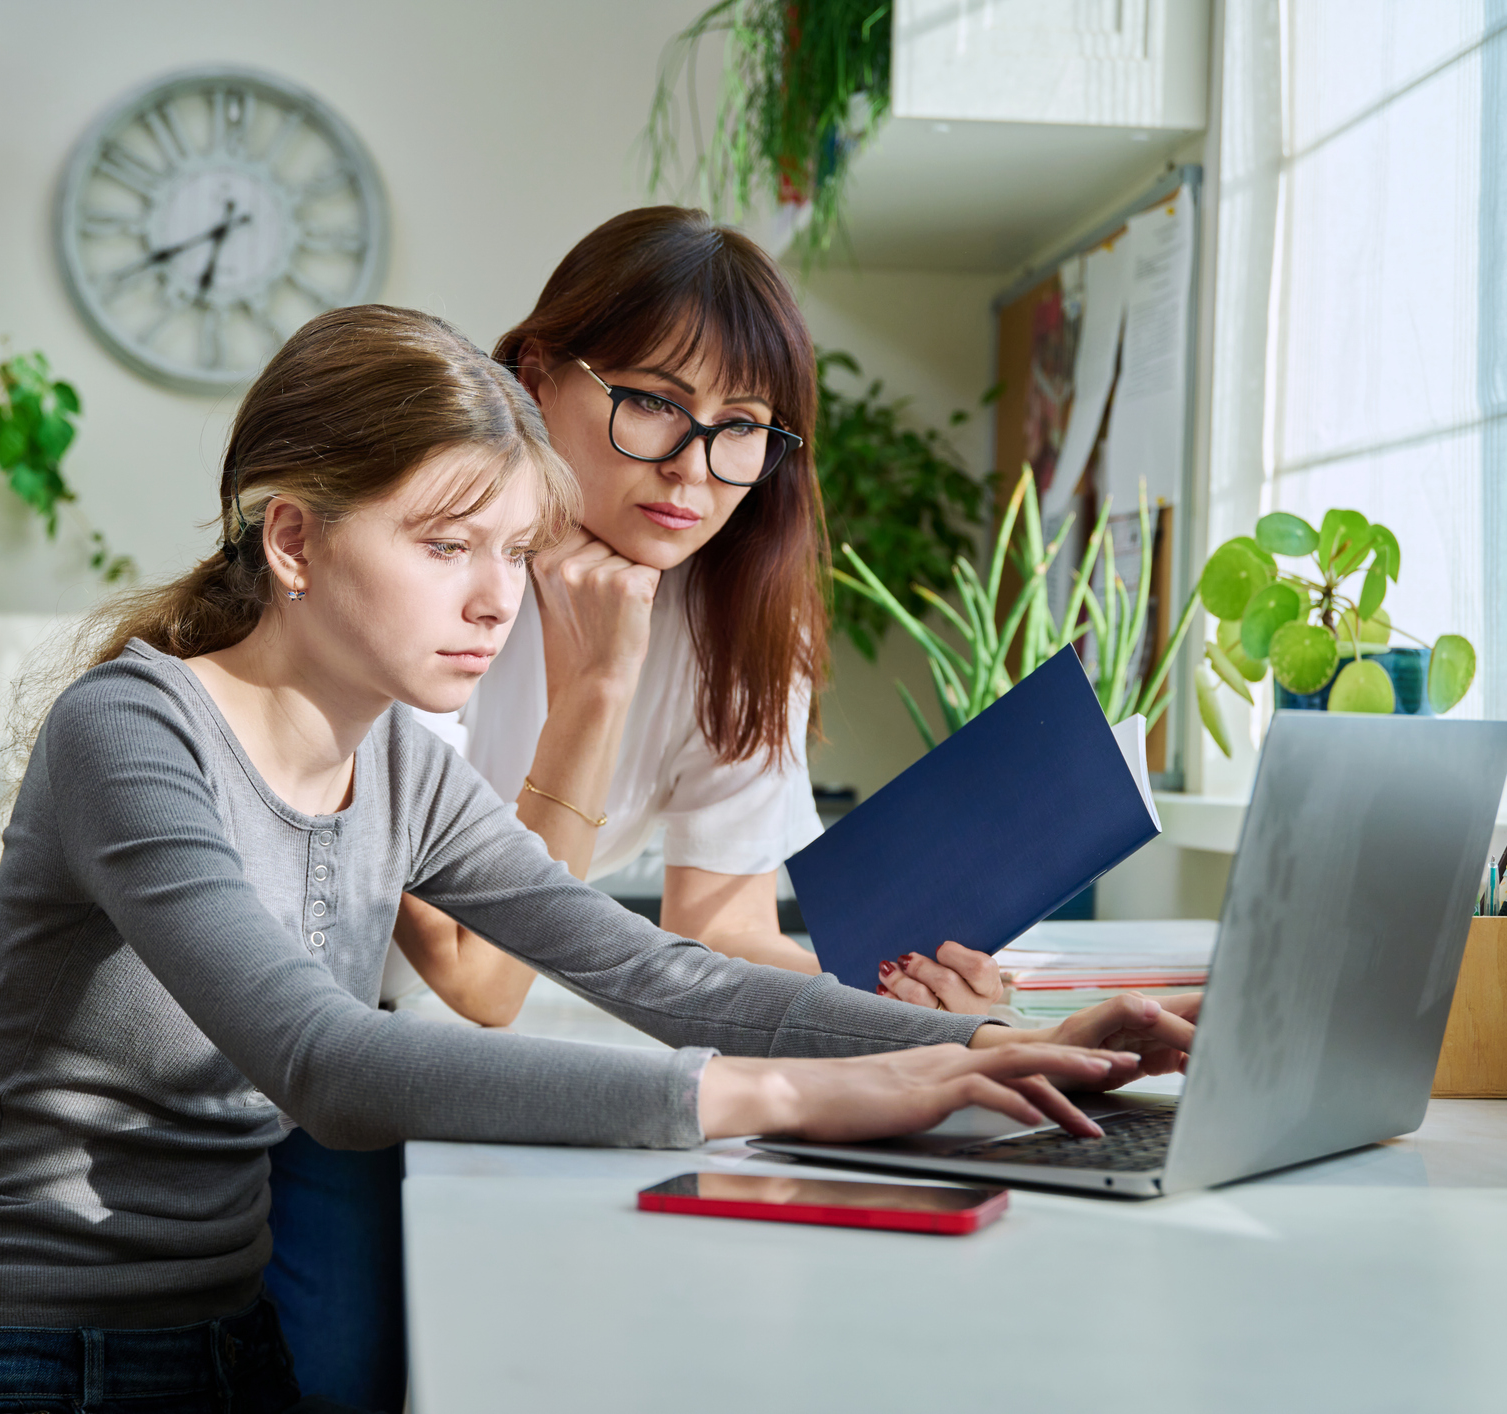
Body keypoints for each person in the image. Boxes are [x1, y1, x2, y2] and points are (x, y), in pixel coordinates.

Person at [0, 305, 1190, 1414]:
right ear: (296, 538)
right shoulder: (134, 731)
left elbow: (662, 973)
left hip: (226, 1359)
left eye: (510, 550)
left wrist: (997, 1045)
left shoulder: (398, 762)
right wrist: (791, 1096)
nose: (495, 598)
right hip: (26, 1369)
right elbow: (331, 1062)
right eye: (445, 548)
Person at [263, 210, 1204, 1407]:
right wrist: (596, 685)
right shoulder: (428, 581)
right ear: (533, 379)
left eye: (743, 430)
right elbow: (472, 982)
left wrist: (929, 1016)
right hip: (353, 1078)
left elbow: (720, 924)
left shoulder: (739, 619)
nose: (692, 469)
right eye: (652, 402)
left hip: (551, 1070)